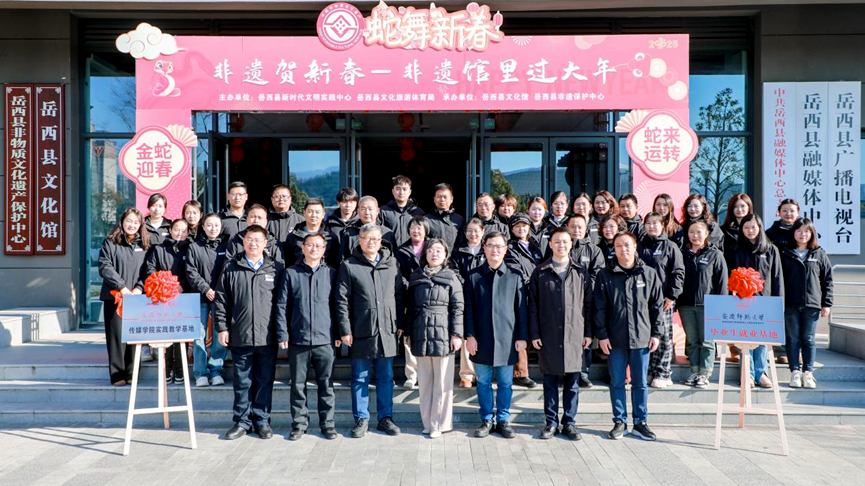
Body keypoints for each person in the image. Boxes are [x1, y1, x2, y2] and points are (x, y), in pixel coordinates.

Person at [215, 225, 285, 441]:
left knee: (265, 380)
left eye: (257, 240)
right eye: (249, 239)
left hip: (267, 335)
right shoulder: (231, 267)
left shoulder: (276, 268)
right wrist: (222, 327)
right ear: (243, 242)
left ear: (265, 243)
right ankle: (242, 421)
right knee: (242, 381)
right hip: (240, 334)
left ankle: (262, 420)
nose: (253, 243)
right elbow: (221, 300)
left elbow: (283, 304)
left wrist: (282, 332)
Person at [335, 224, 406, 439]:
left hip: (388, 329)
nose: (371, 242)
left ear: (381, 240)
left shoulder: (391, 263)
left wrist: (400, 323)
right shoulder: (349, 265)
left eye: (375, 238)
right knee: (359, 377)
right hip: (361, 329)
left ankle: (385, 418)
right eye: (366, 238)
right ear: (360, 240)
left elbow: (399, 294)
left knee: (386, 377)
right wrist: (345, 329)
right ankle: (361, 419)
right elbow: (341, 300)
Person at [594, 232, 663, 441]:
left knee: (640, 382)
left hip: (642, 337)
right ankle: (620, 421)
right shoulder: (605, 275)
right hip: (614, 339)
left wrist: (656, 333)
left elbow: (656, 306)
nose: (623, 249)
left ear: (635, 247)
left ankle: (640, 422)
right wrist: (602, 335)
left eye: (627, 245)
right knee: (617, 382)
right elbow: (599, 308)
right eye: (618, 245)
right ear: (613, 249)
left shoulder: (648, 273)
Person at [529, 227, 592, 441]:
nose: (561, 245)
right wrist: (534, 333)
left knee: (572, 382)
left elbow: (588, 305)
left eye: (565, 241)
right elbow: (533, 305)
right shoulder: (540, 271)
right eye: (557, 241)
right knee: (549, 381)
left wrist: (588, 333)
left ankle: (569, 423)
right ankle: (551, 422)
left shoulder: (581, 272)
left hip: (575, 334)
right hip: (548, 334)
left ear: (571, 244)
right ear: (550, 244)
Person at [275, 233, 339, 440]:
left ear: (324, 250)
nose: (314, 249)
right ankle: (299, 424)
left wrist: (339, 333)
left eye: (318, 246)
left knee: (326, 385)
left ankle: (327, 424)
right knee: (297, 385)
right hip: (298, 338)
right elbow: (282, 306)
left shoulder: (332, 274)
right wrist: (282, 333)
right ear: (303, 248)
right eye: (310, 245)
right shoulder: (291, 273)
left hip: (325, 339)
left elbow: (338, 306)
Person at [464, 231, 528, 439]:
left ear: (505, 250)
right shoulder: (473, 276)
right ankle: (486, 419)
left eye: (499, 246)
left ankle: (503, 419)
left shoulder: (515, 276)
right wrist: (469, 335)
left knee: (505, 383)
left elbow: (521, 310)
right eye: (491, 245)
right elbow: (468, 309)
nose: (495, 250)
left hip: (507, 339)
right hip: (481, 338)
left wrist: (521, 337)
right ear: (484, 248)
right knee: (483, 382)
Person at [405, 238, 464, 438]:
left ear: (445, 255)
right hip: (420, 332)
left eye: (439, 250)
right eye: (430, 250)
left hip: (443, 333)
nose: (434, 254)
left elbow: (458, 308)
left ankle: (439, 423)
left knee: (442, 383)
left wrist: (456, 334)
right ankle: (427, 422)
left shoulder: (451, 277)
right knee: (425, 382)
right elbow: (410, 308)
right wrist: (409, 333)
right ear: (425, 254)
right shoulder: (416, 276)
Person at [730, 214, 784, 389]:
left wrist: (778, 304)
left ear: (760, 228)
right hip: (742, 302)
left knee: (761, 339)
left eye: (753, 227)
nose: (750, 231)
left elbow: (777, 278)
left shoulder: (770, 250)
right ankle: (748, 374)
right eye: (746, 228)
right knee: (744, 339)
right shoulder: (736, 250)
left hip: (764, 302)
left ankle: (761, 373)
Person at [780, 218, 833, 389]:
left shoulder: (819, 253)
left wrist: (827, 303)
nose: (803, 234)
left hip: (812, 304)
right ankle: (795, 372)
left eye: (806, 231)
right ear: (793, 233)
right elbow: (779, 279)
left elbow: (827, 280)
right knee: (792, 338)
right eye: (799, 230)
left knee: (809, 339)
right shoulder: (785, 253)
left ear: (812, 234)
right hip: (790, 303)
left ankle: (808, 373)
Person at [98, 207, 148, 385]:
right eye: (129, 221)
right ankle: (117, 374)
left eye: (136, 222)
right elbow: (105, 267)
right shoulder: (110, 242)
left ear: (140, 225)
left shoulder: (145, 245)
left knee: (135, 336)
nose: (132, 225)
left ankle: (132, 373)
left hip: (137, 297)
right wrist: (121, 287)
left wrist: (139, 288)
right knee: (116, 336)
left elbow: (149, 270)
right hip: (115, 297)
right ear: (122, 222)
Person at [678, 220, 728, 389]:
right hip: (686, 305)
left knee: (707, 341)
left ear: (706, 234)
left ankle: (705, 374)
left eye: (699, 232)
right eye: (691, 232)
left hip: (708, 305)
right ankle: (694, 371)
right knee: (692, 340)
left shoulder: (715, 254)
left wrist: (721, 305)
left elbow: (721, 282)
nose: (695, 235)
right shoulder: (682, 253)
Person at [141, 218, 191, 384]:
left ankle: (180, 370)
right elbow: (150, 269)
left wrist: (182, 285)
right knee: (166, 335)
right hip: (162, 297)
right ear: (170, 230)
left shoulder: (191, 248)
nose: (180, 233)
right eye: (176, 229)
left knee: (181, 335)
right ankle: (167, 369)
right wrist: (162, 285)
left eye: (184, 230)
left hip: (183, 296)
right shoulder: (159, 249)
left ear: (188, 233)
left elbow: (192, 271)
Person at [639, 212, 685, 389]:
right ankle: (650, 370)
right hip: (643, 300)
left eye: (655, 223)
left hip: (663, 300)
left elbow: (678, 272)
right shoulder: (640, 246)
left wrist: (672, 295)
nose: (651, 226)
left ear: (663, 225)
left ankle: (663, 372)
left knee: (664, 336)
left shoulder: (670, 246)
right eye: (648, 223)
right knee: (648, 336)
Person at [184, 212, 229, 387]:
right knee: (198, 336)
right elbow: (191, 272)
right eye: (209, 225)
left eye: (216, 225)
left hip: (221, 298)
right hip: (200, 297)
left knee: (220, 334)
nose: (213, 228)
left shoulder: (227, 246)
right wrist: (206, 289)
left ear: (221, 227)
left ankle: (216, 370)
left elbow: (229, 270)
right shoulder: (194, 247)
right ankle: (200, 373)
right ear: (203, 227)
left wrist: (219, 291)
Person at [566, 213, 605, 389]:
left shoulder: (594, 250)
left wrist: (582, 289)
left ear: (586, 229)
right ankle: (566, 371)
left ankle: (583, 372)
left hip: (586, 301)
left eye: (580, 227)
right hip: (562, 301)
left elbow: (598, 274)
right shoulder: (561, 246)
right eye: (573, 226)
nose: (576, 230)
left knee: (585, 337)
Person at [504, 212, 541, 389]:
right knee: (522, 331)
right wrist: (536, 284)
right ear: (512, 229)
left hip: (538, 294)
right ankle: (520, 372)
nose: (521, 229)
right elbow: (515, 271)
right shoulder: (510, 247)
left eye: (524, 226)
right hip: (521, 293)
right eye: (517, 226)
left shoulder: (536, 246)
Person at [394, 215, 429, 390]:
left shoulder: (432, 247)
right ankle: (412, 374)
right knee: (409, 335)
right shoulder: (402, 250)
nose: (416, 231)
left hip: (429, 295)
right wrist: (410, 285)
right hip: (409, 295)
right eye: (413, 228)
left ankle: (426, 374)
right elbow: (398, 274)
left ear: (426, 231)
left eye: (419, 228)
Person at [450, 217, 485, 388]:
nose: (473, 234)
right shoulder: (458, 251)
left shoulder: (487, 249)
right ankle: (467, 374)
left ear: (483, 232)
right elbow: (454, 272)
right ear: (465, 233)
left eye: (476, 231)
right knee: (466, 333)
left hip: (484, 295)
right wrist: (468, 285)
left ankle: (483, 373)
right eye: (469, 231)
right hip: (464, 295)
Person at [719, 193, 754, 363]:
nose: (739, 210)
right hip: (732, 278)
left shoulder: (755, 228)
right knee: (734, 313)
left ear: (749, 208)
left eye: (743, 206)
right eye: (736, 207)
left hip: (753, 281)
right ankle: (734, 348)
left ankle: (750, 349)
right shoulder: (724, 231)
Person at [766, 199, 801, 365]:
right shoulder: (770, 233)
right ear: (778, 212)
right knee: (778, 315)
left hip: (796, 280)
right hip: (776, 279)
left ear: (798, 212)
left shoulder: (802, 231)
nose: (788, 214)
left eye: (792, 210)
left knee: (795, 318)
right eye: (785, 210)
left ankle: (795, 351)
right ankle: (780, 351)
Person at [338, 196, 397, 264]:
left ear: (377, 211)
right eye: (363, 209)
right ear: (358, 211)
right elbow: (342, 261)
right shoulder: (349, 234)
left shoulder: (387, 233)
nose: (367, 212)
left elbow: (393, 259)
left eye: (370, 209)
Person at [284, 198, 333, 268]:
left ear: (323, 215)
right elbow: (288, 262)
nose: (313, 215)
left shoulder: (331, 237)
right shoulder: (293, 237)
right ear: (304, 213)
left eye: (317, 212)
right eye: (310, 211)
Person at [379, 175, 424, 248]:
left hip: (410, 252)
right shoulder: (383, 211)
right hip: (389, 252)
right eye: (398, 189)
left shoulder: (418, 212)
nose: (401, 192)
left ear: (409, 192)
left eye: (404, 189)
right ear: (393, 191)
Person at [426, 182, 465, 252]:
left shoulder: (459, 219)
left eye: (445, 197)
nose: (442, 199)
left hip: (454, 258)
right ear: (434, 199)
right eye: (439, 197)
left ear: (451, 199)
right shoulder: (426, 220)